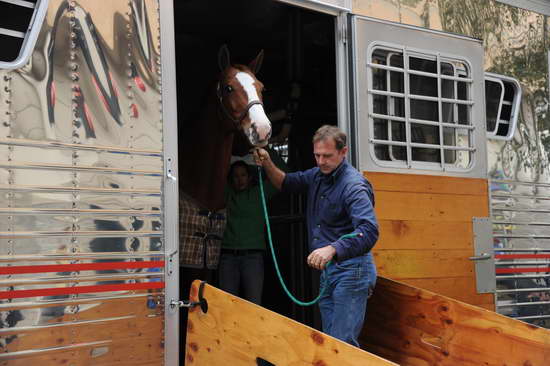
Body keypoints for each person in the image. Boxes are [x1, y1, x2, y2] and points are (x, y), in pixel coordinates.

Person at [253, 125, 378, 347]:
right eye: (317, 155)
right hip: (331, 272)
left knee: (342, 345)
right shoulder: (317, 175)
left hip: (353, 270)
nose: (321, 161)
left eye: (327, 156)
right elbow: (286, 182)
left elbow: (369, 231)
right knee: (331, 342)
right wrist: (267, 162)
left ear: (344, 152)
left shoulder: (354, 185)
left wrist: (332, 248)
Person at [219, 152, 285, 305]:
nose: (240, 179)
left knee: (254, 304)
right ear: (230, 179)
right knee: (227, 305)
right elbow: (215, 174)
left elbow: (284, 172)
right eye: (235, 176)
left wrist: (265, 147)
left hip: (252, 257)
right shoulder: (227, 193)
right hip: (228, 256)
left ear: (250, 177)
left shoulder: (260, 192)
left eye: (243, 175)